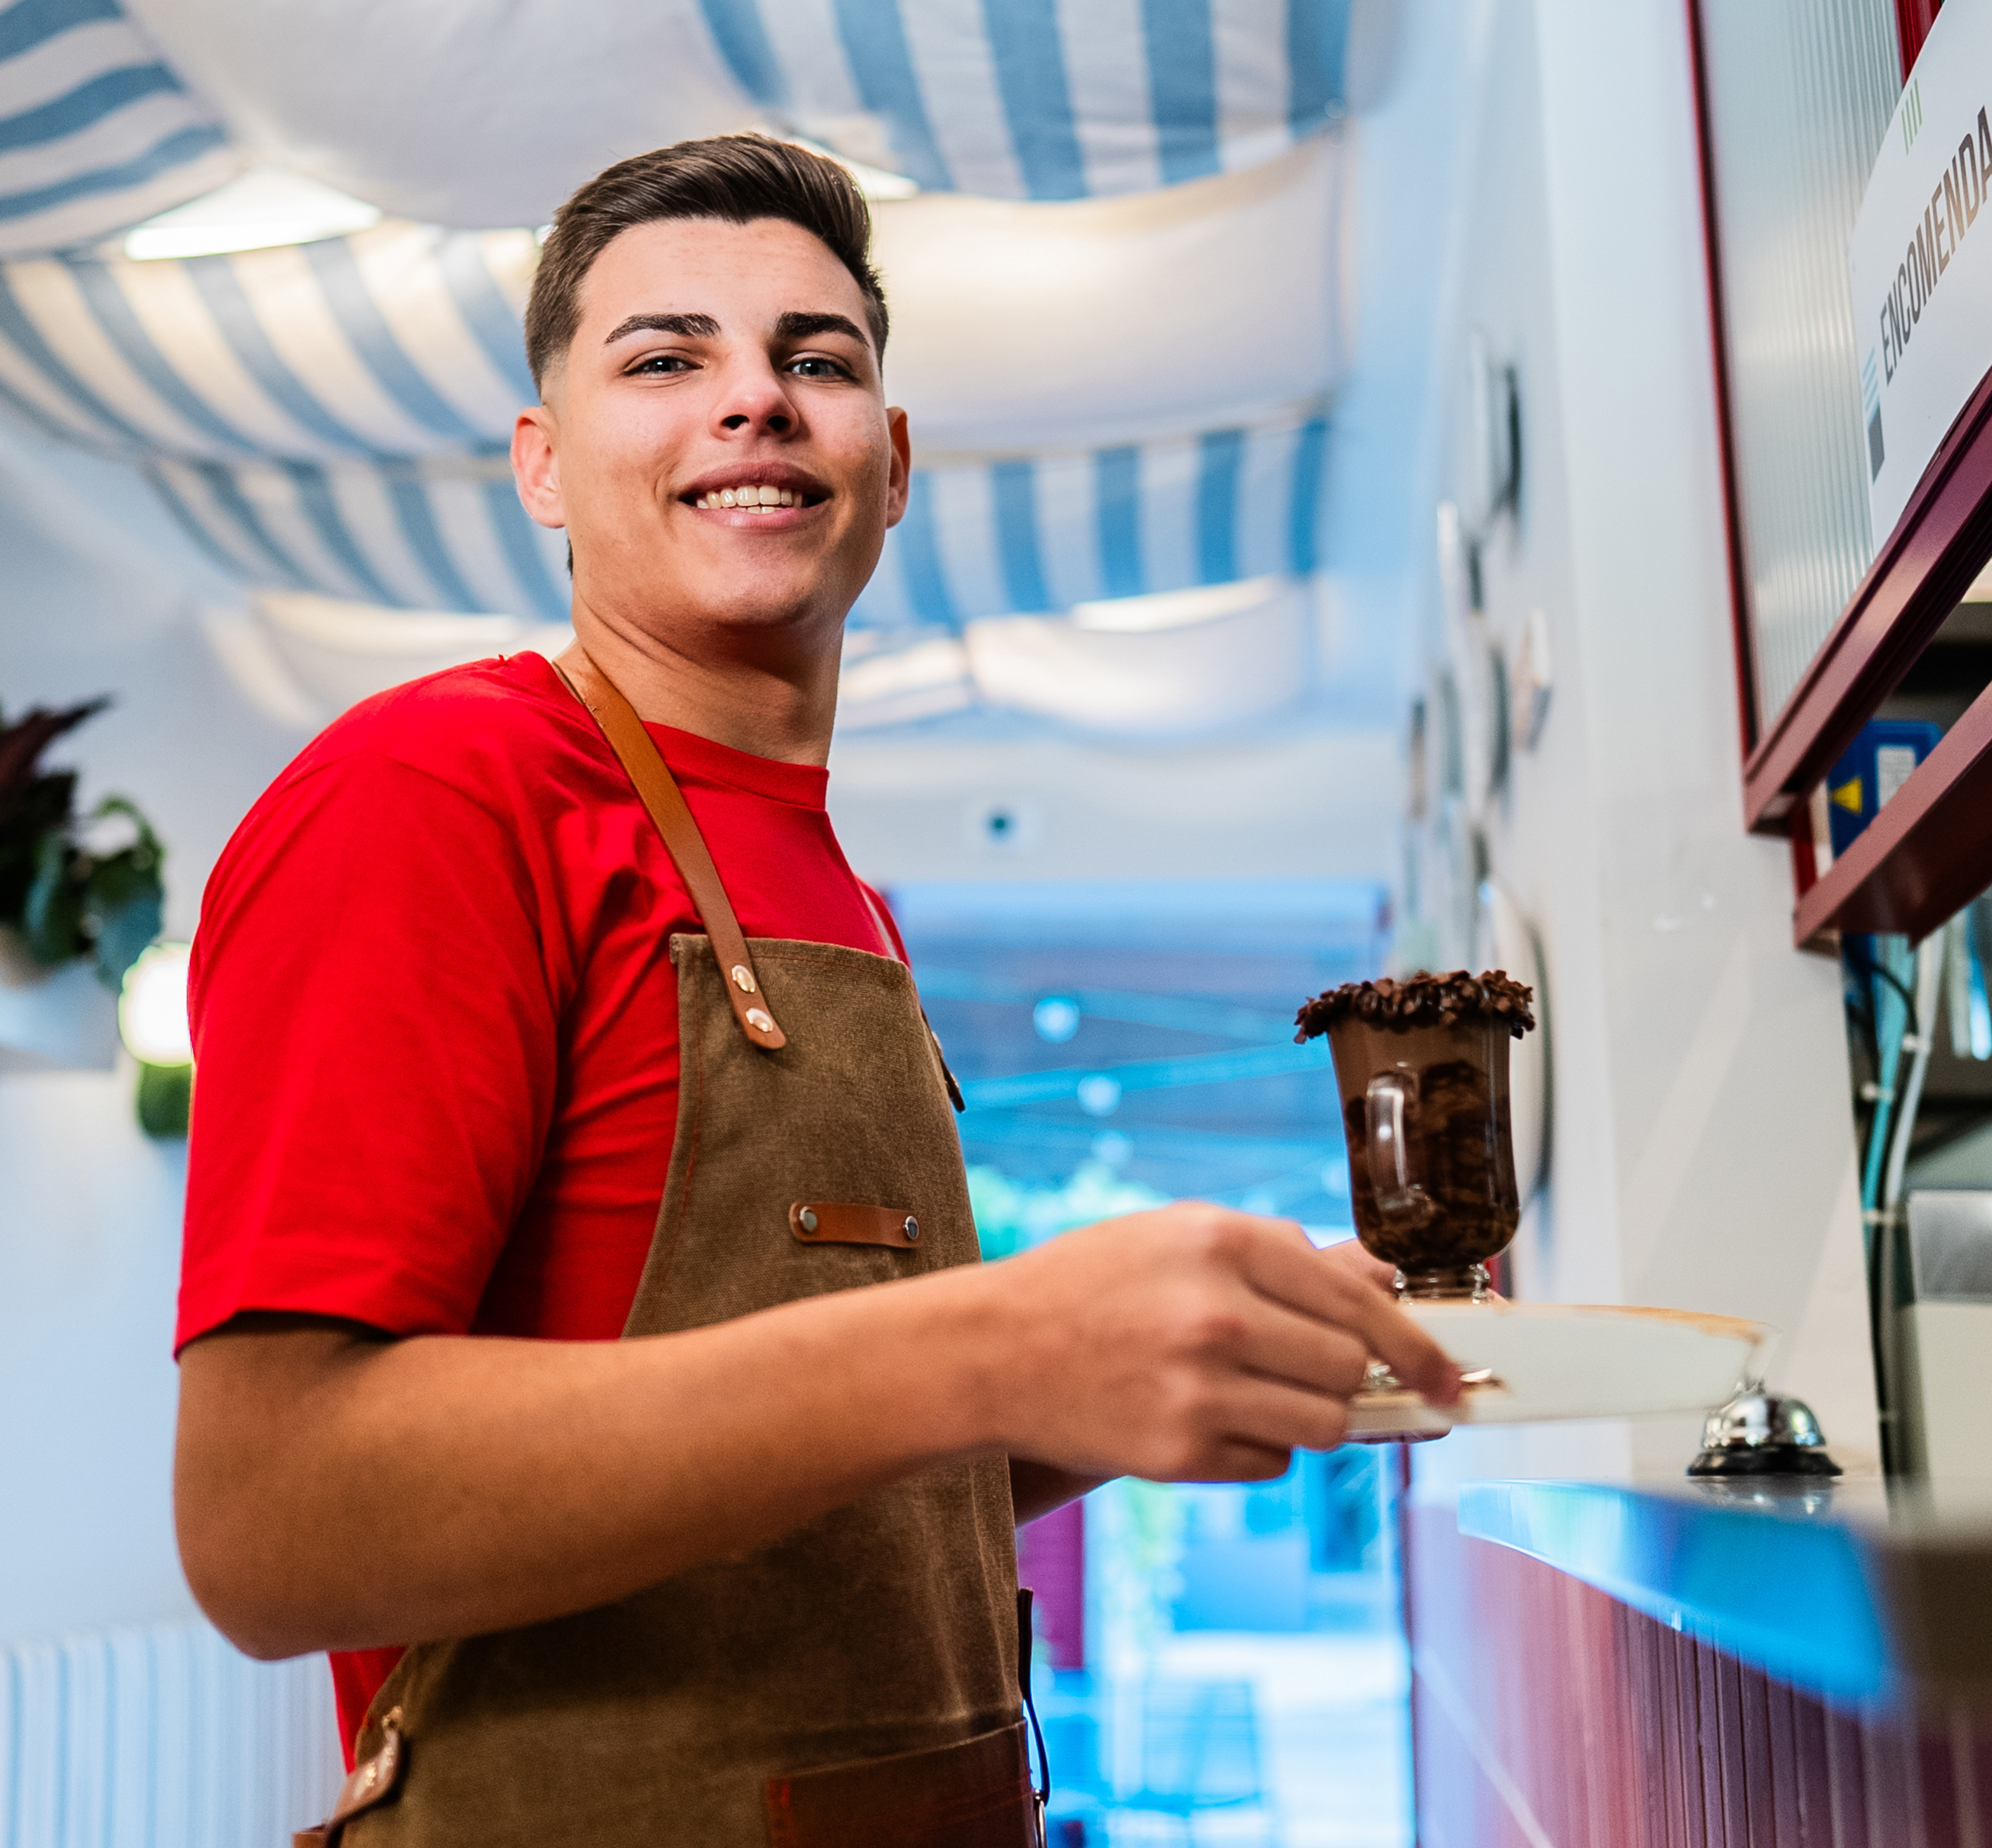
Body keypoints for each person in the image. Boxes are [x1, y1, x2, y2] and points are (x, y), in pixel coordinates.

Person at [170, 133, 1458, 1848]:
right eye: (666, 358)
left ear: (894, 458)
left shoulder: (838, 891)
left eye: (816, 359)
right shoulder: (439, 793)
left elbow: (844, 1474)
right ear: (543, 467)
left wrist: (1183, 1359)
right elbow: (272, 1518)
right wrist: (993, 1337)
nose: (755, 400)